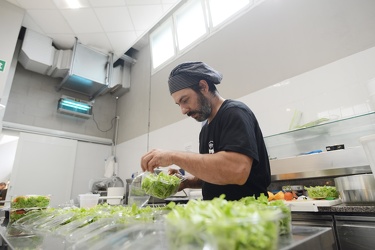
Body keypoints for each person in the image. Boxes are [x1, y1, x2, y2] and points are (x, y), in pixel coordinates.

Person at [140, 61, 271, 200]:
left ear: (203, 86)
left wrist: (173, 156)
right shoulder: (205, 129)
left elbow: (236, 171)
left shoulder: (234, 113)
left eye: (185, 100)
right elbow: (217, 175)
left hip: (246, 217)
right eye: (179, 104)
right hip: (218, 217)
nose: (183, 110)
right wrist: (185, 181)